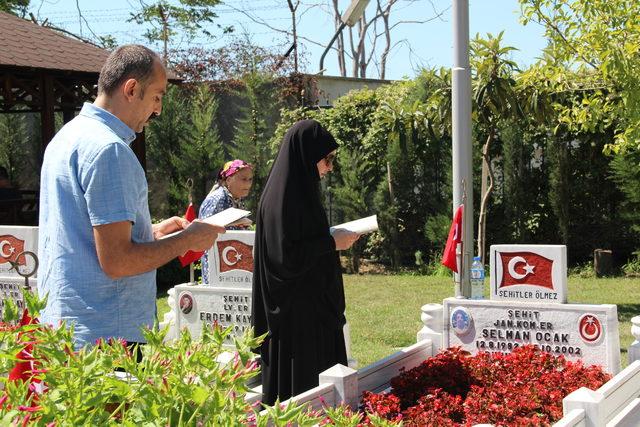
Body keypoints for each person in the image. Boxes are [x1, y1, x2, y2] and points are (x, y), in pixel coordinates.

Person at [38, 45, 224, 349]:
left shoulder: (66, 137)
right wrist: (188, 240)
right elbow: (117, 262)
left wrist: (150, 233)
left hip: (66, 329)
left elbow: (82, 238)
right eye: (157, 96)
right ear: (132, 89)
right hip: (107, 335)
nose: (159, 109)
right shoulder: (109, 150)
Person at [252, 119, 360, 405]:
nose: (329, 167)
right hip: (297, 322)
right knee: (302, 395)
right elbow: (284, 258)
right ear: (306, 155)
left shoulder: (299, 192)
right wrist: (332, 242)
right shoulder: (283, 198)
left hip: (311, 312)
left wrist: (329, 238)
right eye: (326, 159)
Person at [198, 159, 253, 283]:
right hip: (217, 268)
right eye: (244, 179)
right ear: (228, 180)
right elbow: (204, 230)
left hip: (231, 263)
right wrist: (237, 223)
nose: (248, 184)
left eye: (250, 179)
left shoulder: (236, 199)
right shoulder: (218, 198)